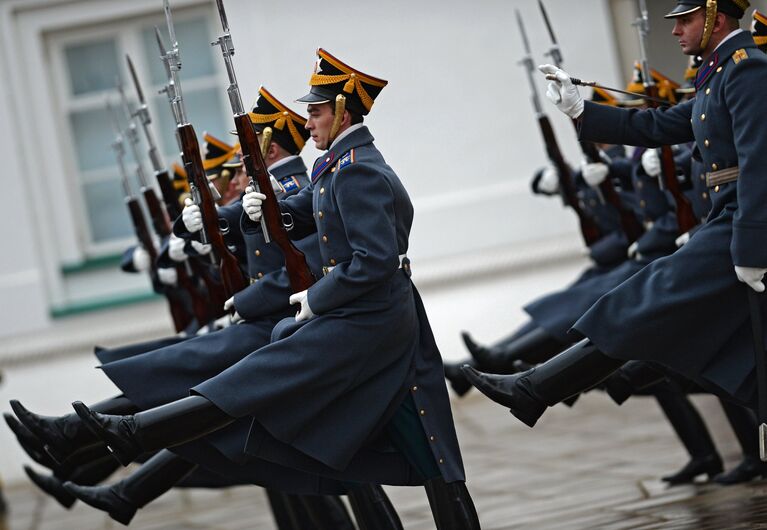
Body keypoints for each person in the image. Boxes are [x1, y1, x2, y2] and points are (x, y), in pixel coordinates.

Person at [10, 50, 480, 529]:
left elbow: (371, 261)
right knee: (417, 454)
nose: (310, 120)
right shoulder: (337, 167)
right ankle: (113, 443)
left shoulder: (355, 168)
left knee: (251, 385)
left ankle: (122, 436)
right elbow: (305, 220)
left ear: (343, 110)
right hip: (363, 318)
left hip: (366, 320)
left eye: (316, 111)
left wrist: (312, 297)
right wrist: (233, 218)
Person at [463, 0, 767, 435]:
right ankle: (535, 388)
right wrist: (580, 111)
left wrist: (755, 242)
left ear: (716, 20)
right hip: (728, 219)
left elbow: (760, 161)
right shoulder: (719, 73)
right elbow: (658, 126)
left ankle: (535, 388)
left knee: (647, 296)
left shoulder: (746, 69)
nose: (677, 30)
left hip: (741, 222)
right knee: (667, 312)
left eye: (686, 20)